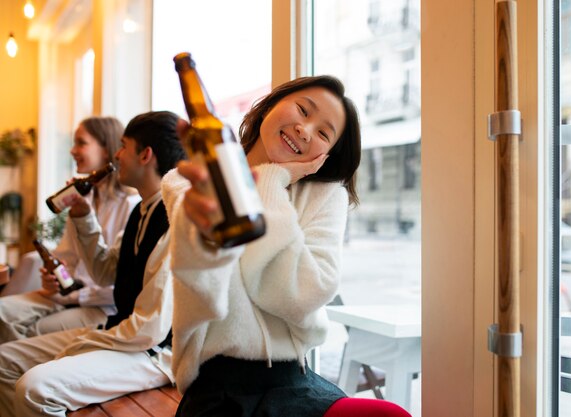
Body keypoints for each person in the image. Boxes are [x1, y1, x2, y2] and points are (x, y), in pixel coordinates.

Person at [163, 75, 409, 417]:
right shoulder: (187, 181)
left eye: (324, 133)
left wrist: (272, 181)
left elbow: (302, 292)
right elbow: (203, 287)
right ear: (268, 107)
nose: (305, 130)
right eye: (303, 109)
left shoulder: (325, 195)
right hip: (215, 385)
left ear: (327, 153)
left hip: (293, 379)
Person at [0, 111, 187, 417]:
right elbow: (104, 271)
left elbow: (150, 330)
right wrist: (82, 215)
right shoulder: (141, 210)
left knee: (35, 389)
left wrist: (81, 343)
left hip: (155, 353)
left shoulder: (174, 217)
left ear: (145, 155)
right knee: (3, 361)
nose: (116, 155)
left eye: (123, 146)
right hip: (123, 333)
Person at [0, 117, 140, 343]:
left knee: (35, 330)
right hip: (66, 296)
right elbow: (66, 256)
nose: (73, 150)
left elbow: (116, 285)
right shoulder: (83, 198)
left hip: (102, 307)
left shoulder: (131, 207)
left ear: (106, 150)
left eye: (81, 143)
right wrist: (53, 278)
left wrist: (73, 295)